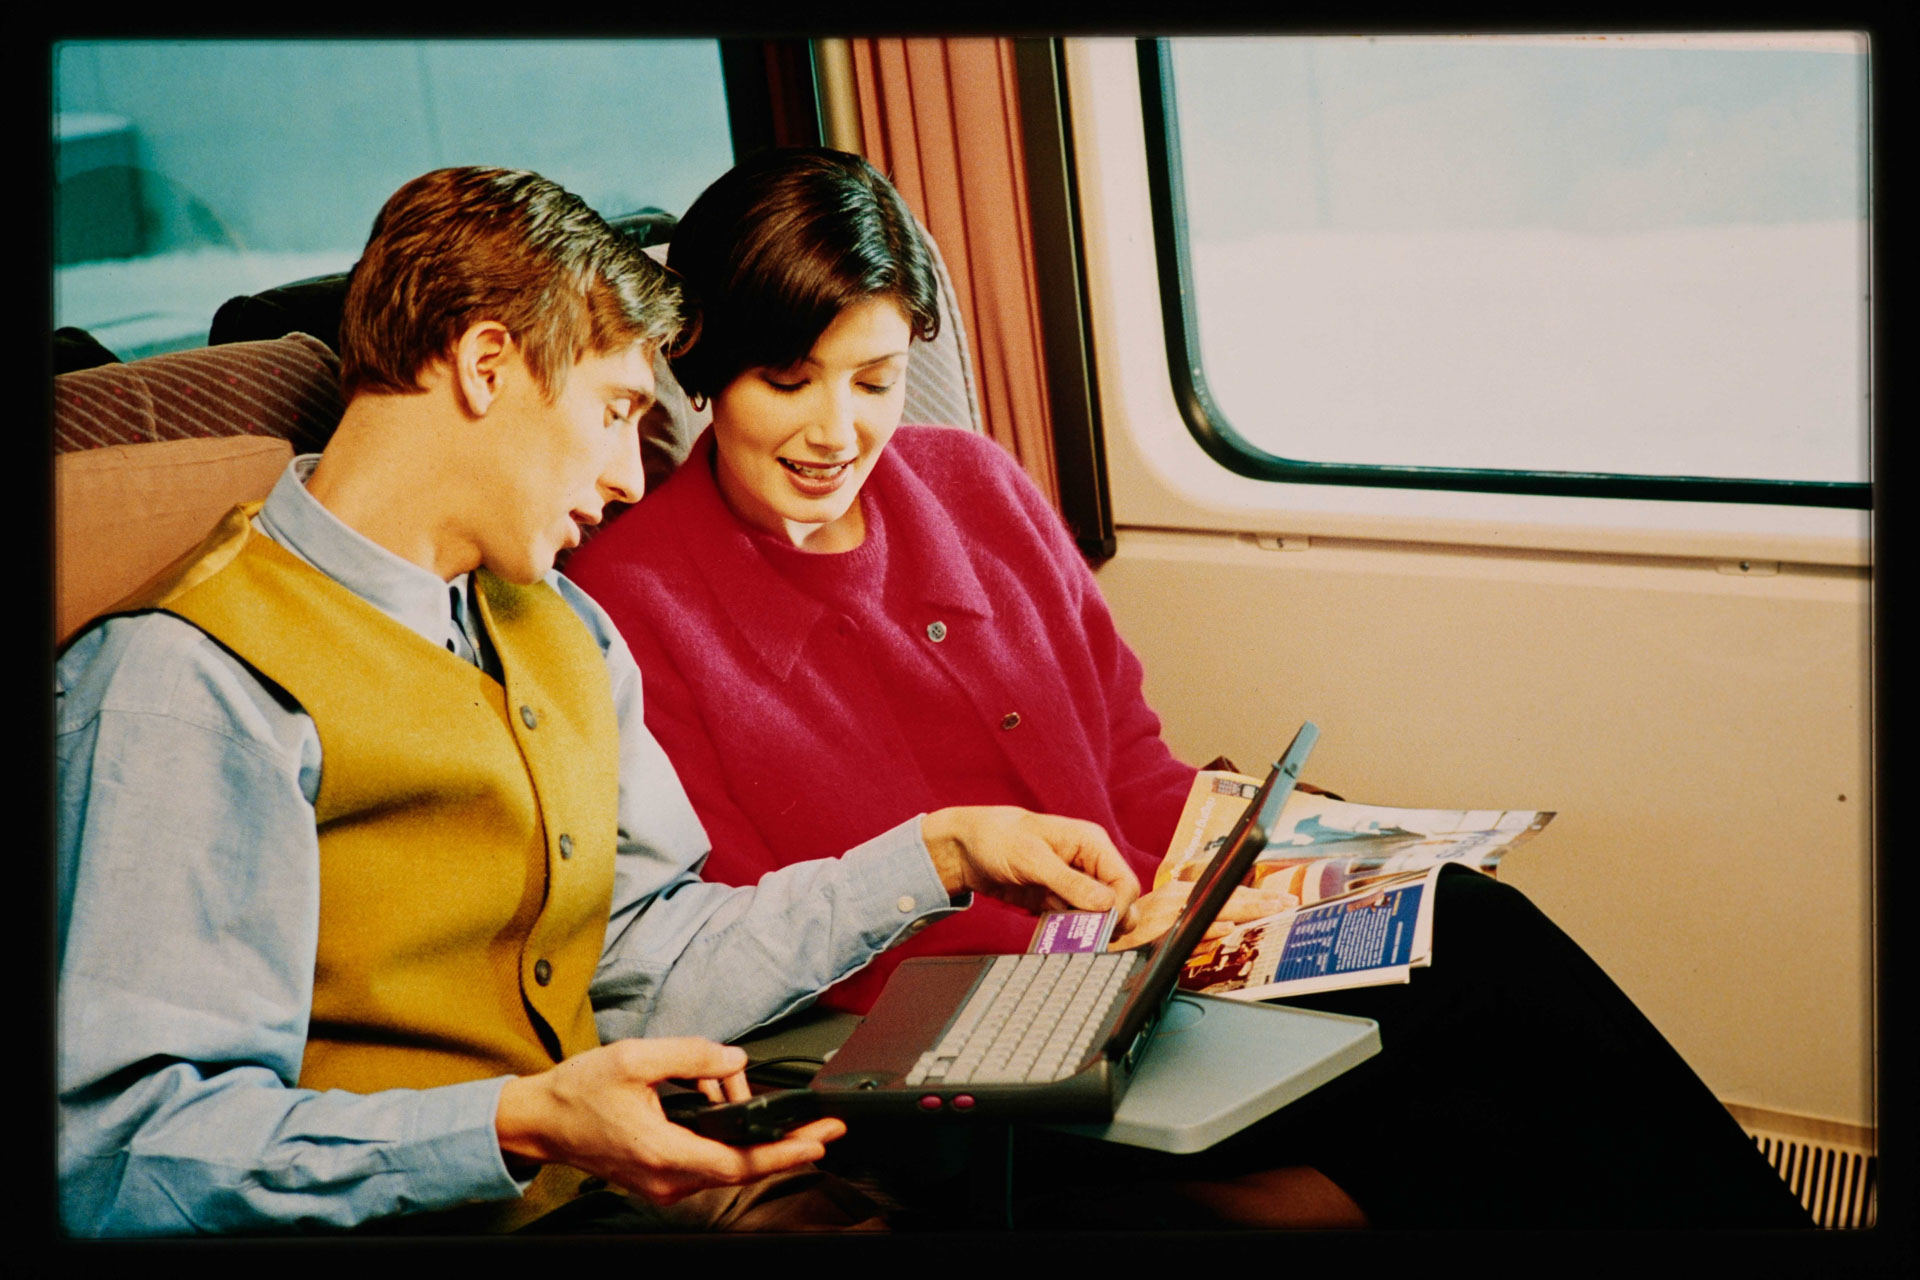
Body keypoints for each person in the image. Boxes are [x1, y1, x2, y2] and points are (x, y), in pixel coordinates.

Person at [563, 147, 1815, 1229]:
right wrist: (1089, 957)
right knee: (1492, 1108)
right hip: (961, 1045)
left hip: (1150, 958)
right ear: (703, 363)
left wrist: (1294, 853)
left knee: (1477, 935)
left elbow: (1131, 763)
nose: (838, 429)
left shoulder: (972, 484)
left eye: (875, 378)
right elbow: (748, 938)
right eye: (791, 380)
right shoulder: (629, 599)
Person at [53, 165, 1144, 1237]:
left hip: (590, 1197)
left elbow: (644, 961)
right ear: (487, 366)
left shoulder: (563, 626)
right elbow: (123, 1155)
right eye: (618, 409)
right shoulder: (184, 680)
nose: (632, 474)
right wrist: (513, 1121)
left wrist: (940, 854)